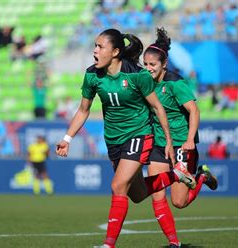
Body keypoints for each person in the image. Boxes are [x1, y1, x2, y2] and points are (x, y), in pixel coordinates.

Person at [55, 28, 196, 248]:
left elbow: (158, 107)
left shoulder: (136, 75)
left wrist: (168, 140)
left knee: (118, 185)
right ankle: (176, 174)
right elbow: (83, 110)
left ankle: (108, 245)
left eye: (100, 46)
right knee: (137, 194)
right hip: (113, 140)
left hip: (139, 134)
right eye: (95, 45)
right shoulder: (92, 75)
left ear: (115, 52)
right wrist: (67, 138)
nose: (95, 51)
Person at [143, 27, 218, 247]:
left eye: (152, 65)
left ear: (164, 64)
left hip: (181, 145)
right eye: (145, 64)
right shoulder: (144, 82)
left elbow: (194, 111)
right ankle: (174, 244)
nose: (148, 69)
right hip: (159, 144)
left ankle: (202, 177)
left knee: (178, 202)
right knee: (157, 194)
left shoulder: (176, 83)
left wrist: (189, 140)